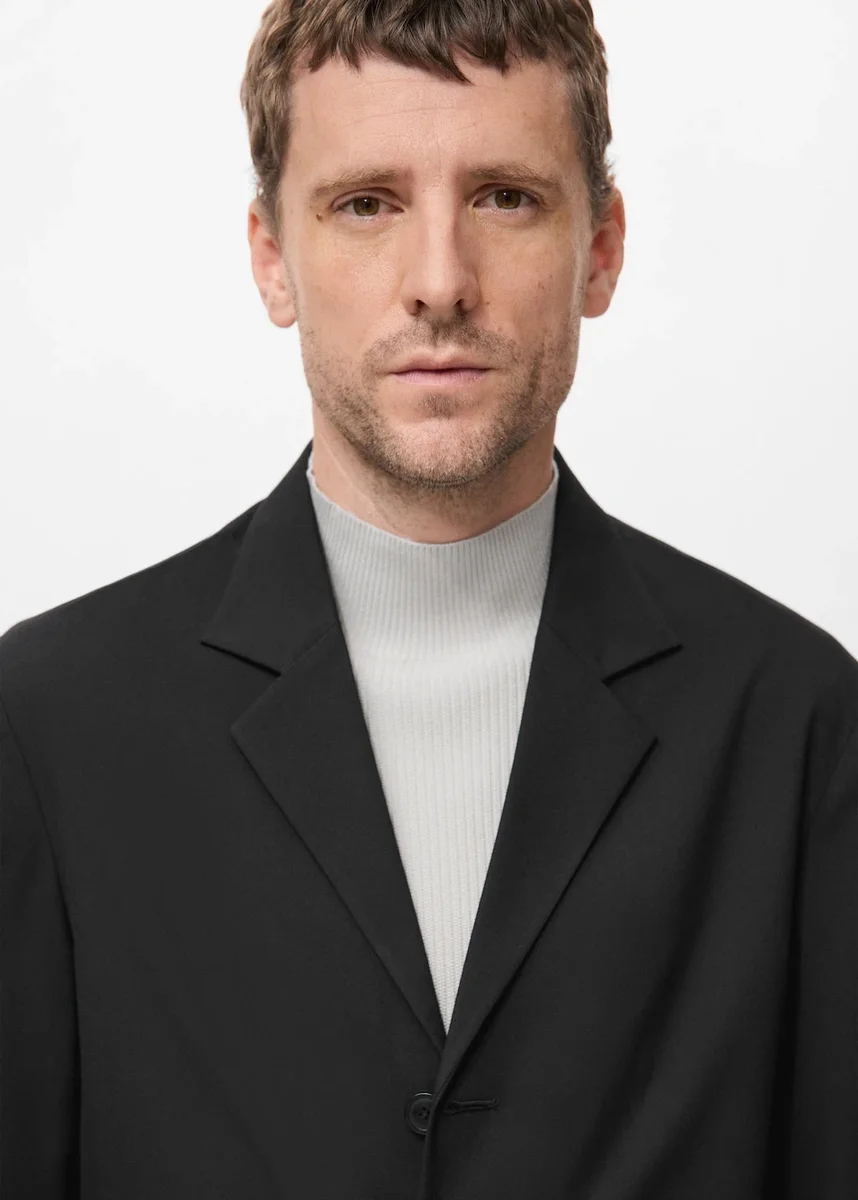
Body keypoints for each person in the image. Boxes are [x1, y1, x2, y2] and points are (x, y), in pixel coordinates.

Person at [1, 0, 855, 1195]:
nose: (440, 283)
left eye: (506, 197)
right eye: (367, 204)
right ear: (271, 257)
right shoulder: (50, 727)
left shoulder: (799, 724)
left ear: (601, 250)